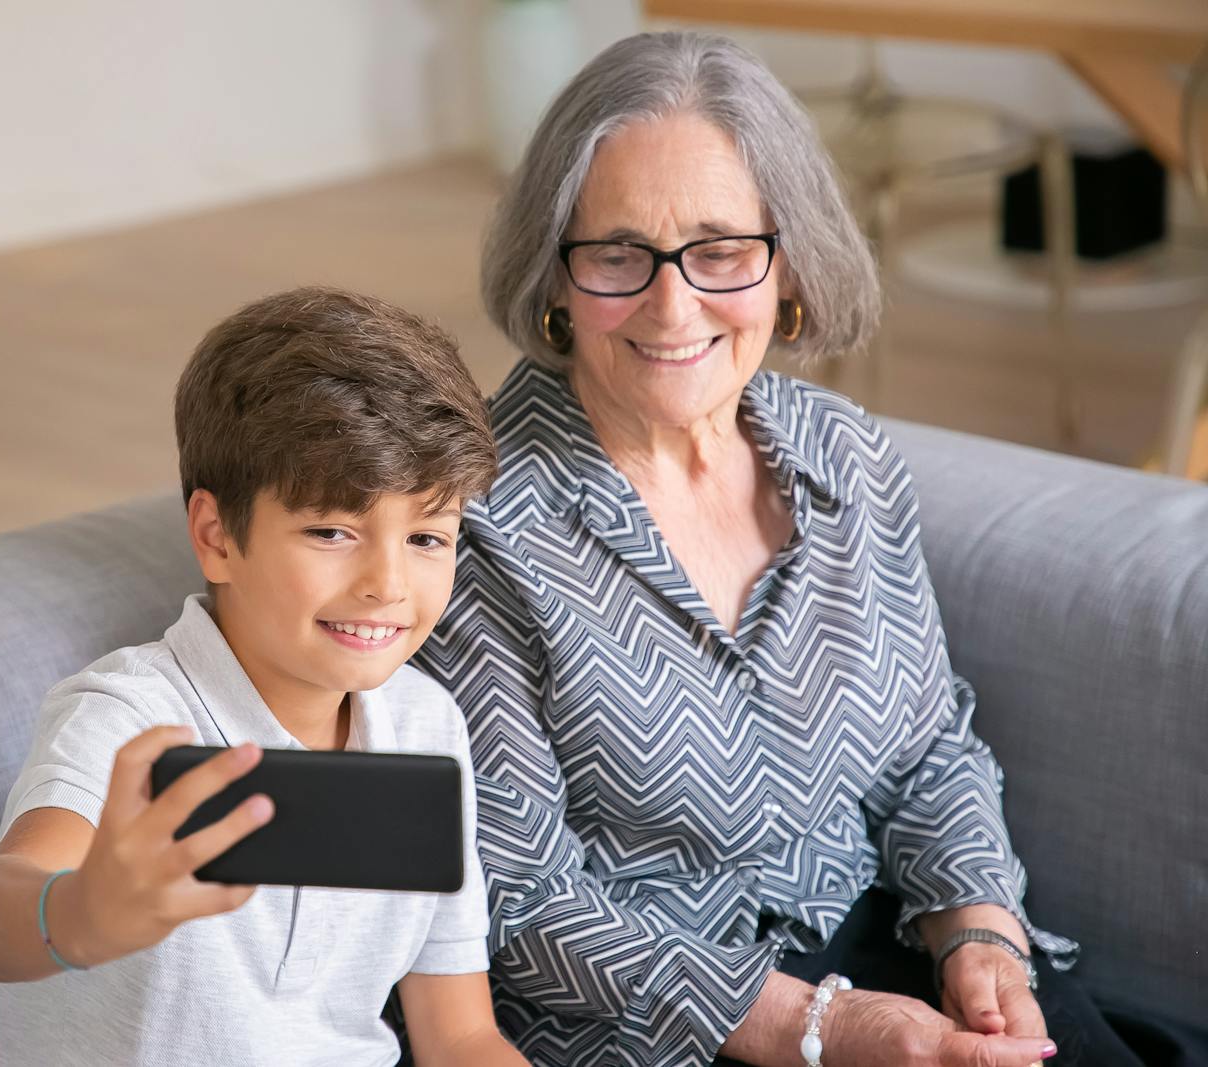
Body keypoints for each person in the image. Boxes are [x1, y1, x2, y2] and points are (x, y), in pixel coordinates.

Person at [415, 31, 1188, 1067]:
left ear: (789, 269)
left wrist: (979, 929)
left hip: (883, 945)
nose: (672, 304)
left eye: (720, 249)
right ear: (552, 278)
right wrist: (817, 1024)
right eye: (616, 254)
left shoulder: (842, 452)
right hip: (661, 1027)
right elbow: (515, 896)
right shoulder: (474, 524)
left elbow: (925, 751)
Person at [0, 287, 527, 1066]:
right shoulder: (128, 716)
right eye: (332, 530)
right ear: (215, 536)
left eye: (428, 537)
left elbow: (459, 1033)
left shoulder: (427, 724)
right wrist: (81, 913)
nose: (388, 584)